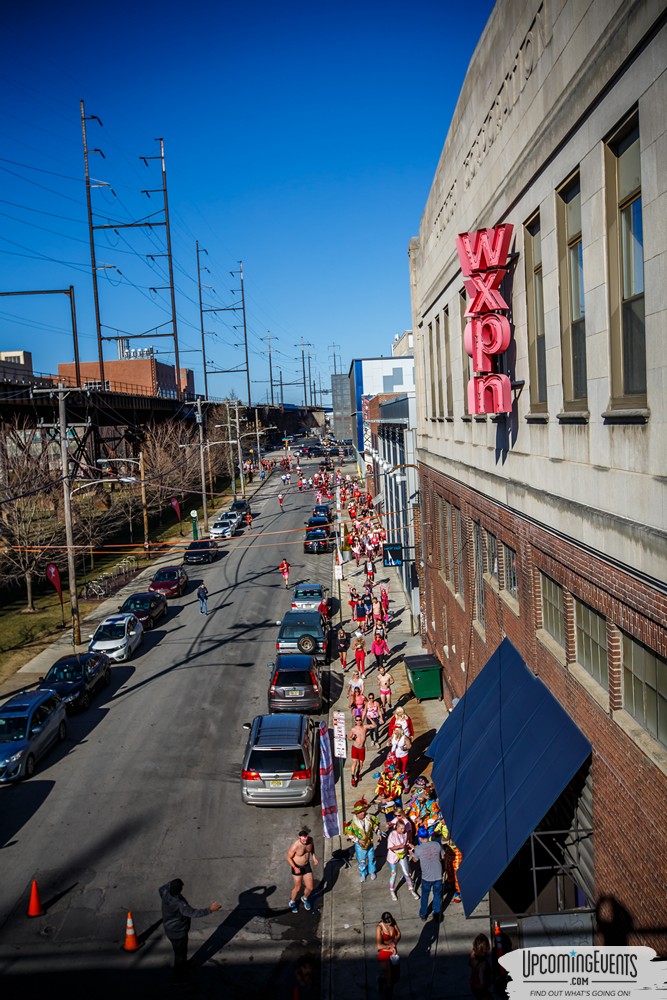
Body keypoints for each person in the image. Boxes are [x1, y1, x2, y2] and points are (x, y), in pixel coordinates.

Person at [159, 878, 221, 983]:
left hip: (169, 929)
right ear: (179, 890)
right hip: (178, 933)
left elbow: (162, 887)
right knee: (180, 955)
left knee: (179, 953)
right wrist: (210, 909)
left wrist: (172, 883)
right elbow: (193, 913)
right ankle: (179, 975)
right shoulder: (179, 903)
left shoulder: (164, 892)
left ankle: (182, 965)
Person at [409, 828, 446, 922]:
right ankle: (436, 913)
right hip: (438, 875)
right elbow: (442, 856)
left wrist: (412, 854)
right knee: (437, 895)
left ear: (420, 838)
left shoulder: (418, 849)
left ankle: (423, 914)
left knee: (425, 896)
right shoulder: (437, 844)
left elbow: (415, 860)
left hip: (426, 877)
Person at [344, 798, 379, 882]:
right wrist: (358, 840)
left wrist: (379, 833)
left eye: (364, 811)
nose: (363, 813)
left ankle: (372, 871)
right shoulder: (352, 823)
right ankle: (363, 873)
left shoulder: (370, 818)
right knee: (362, 861)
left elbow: (375, 826)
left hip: (369, 843)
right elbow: (350, 835)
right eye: (361, 812)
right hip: (360, 847)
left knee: (372, 858)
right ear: (357, 813)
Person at [286, 826, 319, 913]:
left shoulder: (310, 840)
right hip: (297, 867)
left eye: (306, 839)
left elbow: (312, 849)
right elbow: (288, 857)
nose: (305, 841)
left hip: (306, 866)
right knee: (298, 888)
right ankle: (292, 902)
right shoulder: (295, 846)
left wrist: (314, 857)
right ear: (299, 838)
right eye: (303, 840)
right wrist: (295, 868)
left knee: (310, 887)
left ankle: (305, 898)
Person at [386, 819, 419, 901]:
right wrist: (399, 847)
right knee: (393, 874)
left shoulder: (405, 834)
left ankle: (411, 889)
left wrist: (409, 847)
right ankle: (392, 890)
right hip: (393, 856)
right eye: (401, 828)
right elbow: (390, 847)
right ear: (396, 827)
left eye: (404, 828)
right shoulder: (392, 835)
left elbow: (406, 844)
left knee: (406, 873)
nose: (403, 830)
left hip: (402, 855)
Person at [376, 911, 401, 1000]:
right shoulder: (380, 928)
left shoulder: (393, 922)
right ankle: (388, 995)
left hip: (393, 951)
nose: (389, 925)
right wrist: (389, 947)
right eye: (387, 924)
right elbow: (378, 945)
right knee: (389, 976)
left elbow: (398, 934)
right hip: (385, 952)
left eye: (390, 923)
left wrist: (394, 942)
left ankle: (382, 980)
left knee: (395, 976)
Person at [347, 715, 374, 787]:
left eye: (360, 720)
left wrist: (370, 718)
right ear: (355, 721)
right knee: (354, 762)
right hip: (355, 748)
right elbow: (349, 738)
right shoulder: (353, 729)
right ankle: (353, 778)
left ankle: (357, 774)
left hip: (362, 749)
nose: (358, 721)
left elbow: (374, 725)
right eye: (357, 720)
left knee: (361, 764)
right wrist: (352, 738)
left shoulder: (364, 727)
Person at [469, 933, 493, 999]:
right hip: (480, 989)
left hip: (474, 984)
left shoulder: (473, 955)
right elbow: (481, 981)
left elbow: (470, 963)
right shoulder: (483, 964)